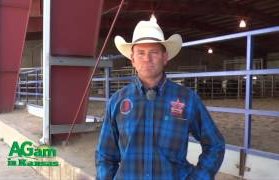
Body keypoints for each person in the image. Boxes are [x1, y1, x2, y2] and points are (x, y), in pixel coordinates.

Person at [96, 15, 225, 180]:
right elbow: (105, 155)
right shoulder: (117, 102)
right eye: (140, 53)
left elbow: (215, 144)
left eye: (154, 52)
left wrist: (199, 177)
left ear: (165, 58)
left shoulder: (187, 99)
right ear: (132, 60)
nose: (147, 59)